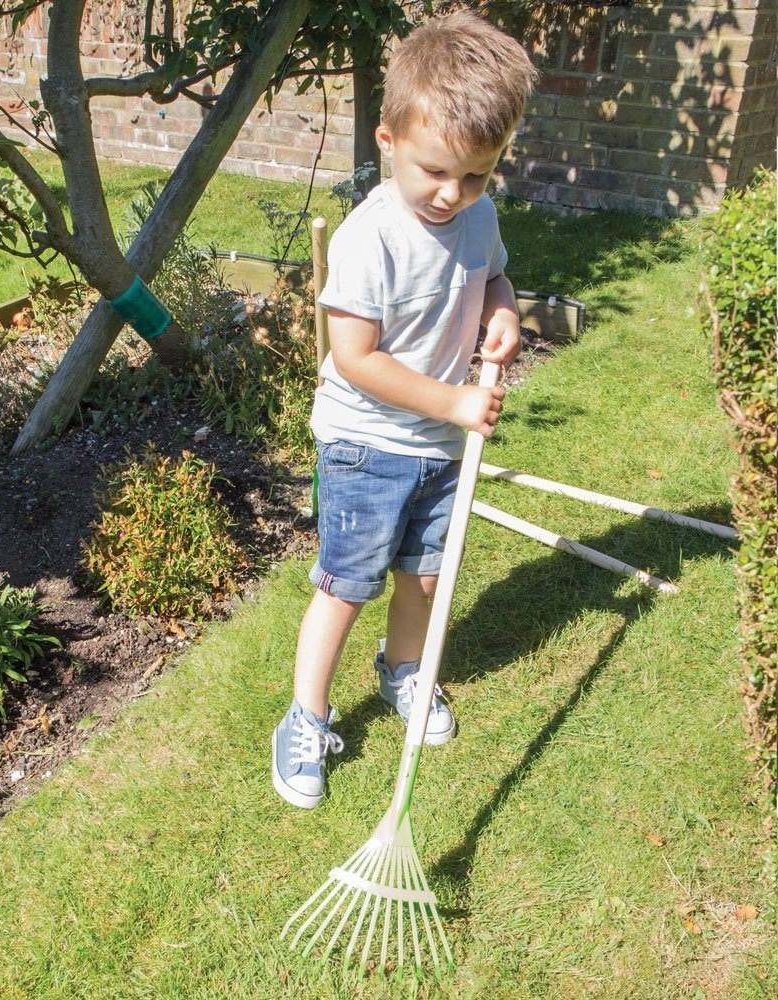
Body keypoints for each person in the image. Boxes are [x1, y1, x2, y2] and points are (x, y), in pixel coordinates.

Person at [272, 9, 538, 809]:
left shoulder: (478, 218)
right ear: (387, 143)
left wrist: (504, 313)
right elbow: (356, 359)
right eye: (434, 172)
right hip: (367, 444)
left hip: (440, 445)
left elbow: (491, 275)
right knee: (347, 585)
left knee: (425, 575)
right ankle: (306, 718)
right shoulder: (369, 239)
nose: (453, 196)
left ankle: (404, 672)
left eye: (478, 176)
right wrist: (455, 400)